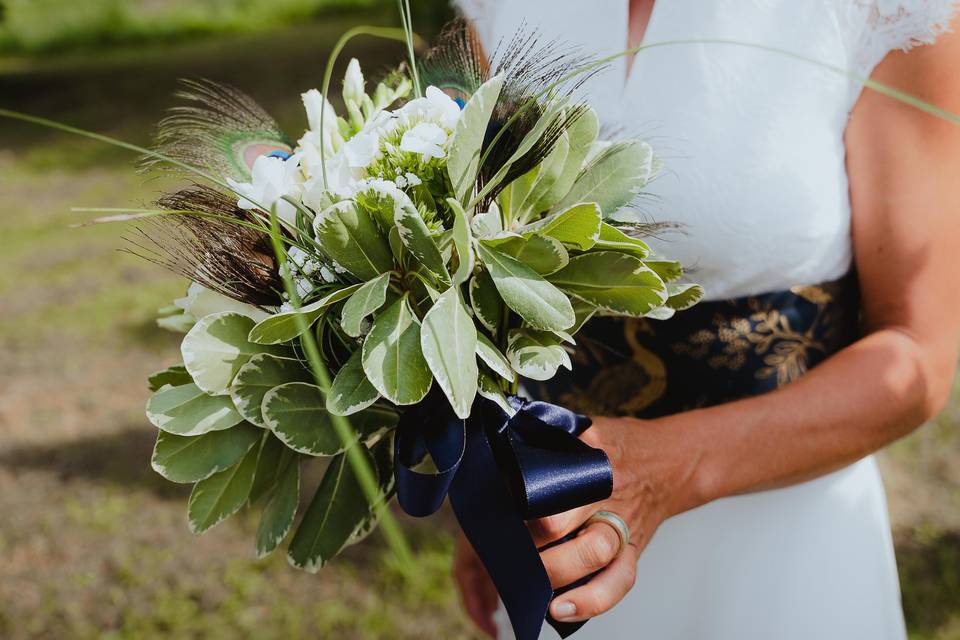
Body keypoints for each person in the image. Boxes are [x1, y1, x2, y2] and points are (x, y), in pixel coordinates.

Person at [450, 1, 960, 638]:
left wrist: (665, 469)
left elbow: (917, 355)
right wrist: (481, 489)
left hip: (782, 544)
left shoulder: (886, 11)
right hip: (558, 531)